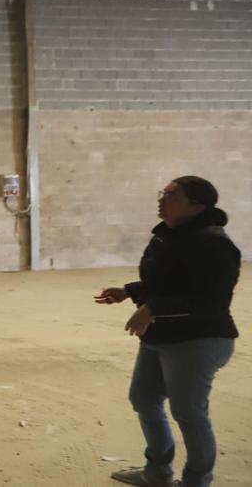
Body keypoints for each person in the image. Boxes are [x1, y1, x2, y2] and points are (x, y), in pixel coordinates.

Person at [96, 176, 240, 487]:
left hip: (199, 339)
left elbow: (209, 302)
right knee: (144, 398)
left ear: (196, 206)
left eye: (172, 195)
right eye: (164, 193)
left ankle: (197, 482)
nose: (162, 199)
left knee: (189, 414)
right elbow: (167, 283)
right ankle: (158, 473)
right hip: (160, 335)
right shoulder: (169, 235)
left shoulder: (214, 245)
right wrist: (128, 291)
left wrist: (152, 308)